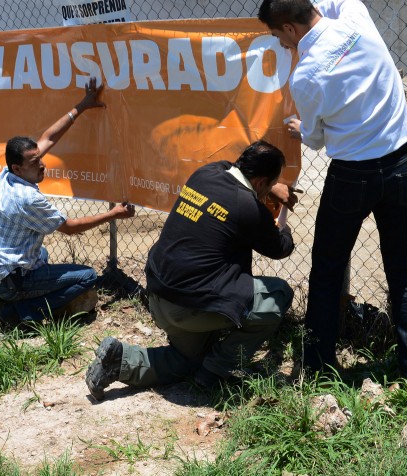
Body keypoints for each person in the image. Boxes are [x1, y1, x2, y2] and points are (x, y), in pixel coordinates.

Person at [257, 0, 407, 380]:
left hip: (353, 173)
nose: (280, 44)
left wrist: (301, 128)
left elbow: (317, 139)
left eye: (278, 37)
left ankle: (319, 364)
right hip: (402, 162)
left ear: (289, 28)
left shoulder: (305, 75)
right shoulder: (355, 18)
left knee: (328, 268)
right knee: (403, 271)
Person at [85, 140, 298, 399]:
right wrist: (283, 213)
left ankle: (120, 360)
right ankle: (216, 372)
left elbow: (231, 168)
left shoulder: (206, 173)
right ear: (262, 182)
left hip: (159, 294)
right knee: (278, 294)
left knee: (187, 360)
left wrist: (270, 186)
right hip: (191, 306)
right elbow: (281, 248)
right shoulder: (249, 207)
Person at [0, 77, 136, 330]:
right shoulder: (28, 198)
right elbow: (70, 228)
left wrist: (82, 106)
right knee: (87, 276)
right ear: (18, 167)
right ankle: (22, 312)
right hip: (10, 279)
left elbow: (48, 137)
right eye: (34, 163)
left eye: (39, 158)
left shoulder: (5, 175)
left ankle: (5, 301)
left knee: (42, 254)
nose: (42, 165)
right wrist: (114, 213)